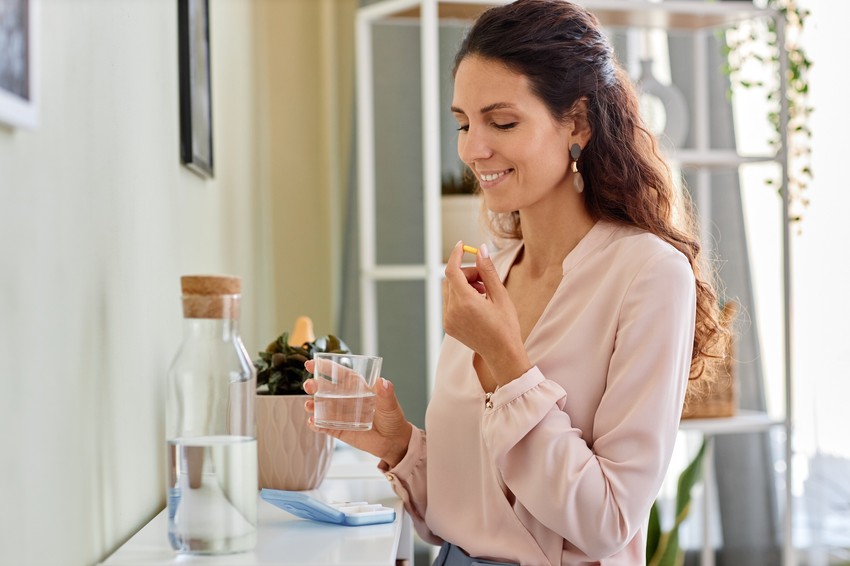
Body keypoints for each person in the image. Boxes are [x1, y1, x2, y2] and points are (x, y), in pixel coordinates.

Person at [304, 0, 728, 564]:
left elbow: (608, 521)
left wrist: (508, 365)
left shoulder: (648, 276)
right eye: (463, 122)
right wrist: (399, 445)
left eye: (501, 122)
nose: (472, 149)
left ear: (576, 122)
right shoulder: (489, 275)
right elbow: (467, 513)